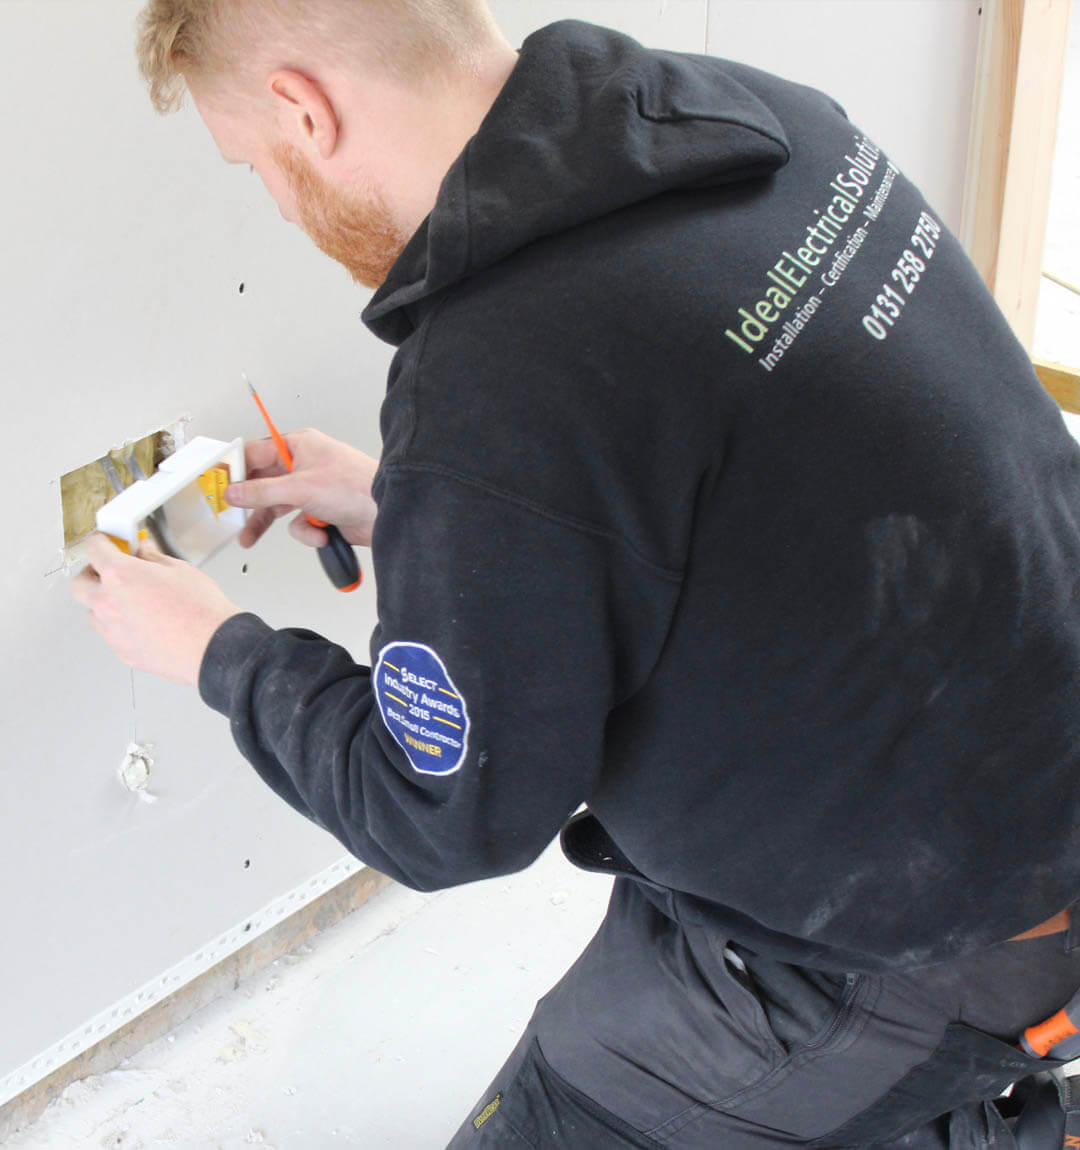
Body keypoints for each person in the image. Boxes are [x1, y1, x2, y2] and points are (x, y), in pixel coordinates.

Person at [71, 1, 1080, 1145]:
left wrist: (213, 647)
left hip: (930, 933)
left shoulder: (500, 377)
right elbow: (719, 459)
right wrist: (417, 500)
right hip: (1013, 758)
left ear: (303, 110)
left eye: (255, 162)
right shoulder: (753, 121)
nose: (273, 195)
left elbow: (444, 818)